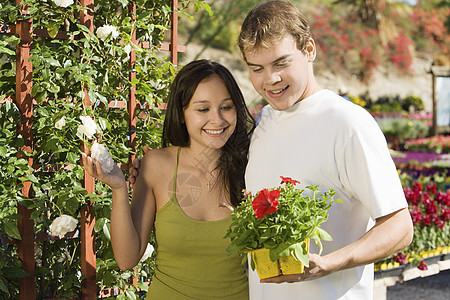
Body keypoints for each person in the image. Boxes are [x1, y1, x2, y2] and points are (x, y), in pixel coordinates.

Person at [238, 1, 413, 299]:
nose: (270, 79)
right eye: (257, 68)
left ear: (309, 50)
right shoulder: (264, 121)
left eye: (281, 63)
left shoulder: (348, 122)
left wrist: (329, 263)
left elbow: (399, 226)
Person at [82, 59, 253, 299]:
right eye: (203, 109)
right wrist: (120, 189)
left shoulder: (252, 168)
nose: (217, 119)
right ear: (182, 114)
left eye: (226, 107)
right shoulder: (156, 166)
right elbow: (126, 259)